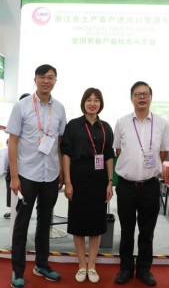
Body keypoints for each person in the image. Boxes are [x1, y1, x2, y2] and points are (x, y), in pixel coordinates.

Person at [5, 64, 67, 288]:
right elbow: (13, 142)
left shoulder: (59, 108)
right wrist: (14, 176)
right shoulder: (21, 106)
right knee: (21, 223)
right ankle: (17, 271)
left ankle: (42, 264)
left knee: (45, 222)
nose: (46, 81)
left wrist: (61, 171)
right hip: (27, 174)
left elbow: (60, 143)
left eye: (50, 77)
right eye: (42, 77)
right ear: (35, 79)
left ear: (55, 81)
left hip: (50, 174)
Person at [113, 81, 169, 286]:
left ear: (151, 98)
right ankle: (126, 268)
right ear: (131, 98)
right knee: (127, 230)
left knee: (147, 231)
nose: (142, 98)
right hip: (126, 186)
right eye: (137, 94)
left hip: (150, 186)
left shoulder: (162, 123)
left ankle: (144, 269)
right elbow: (118, 150)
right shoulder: (121, 122)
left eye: (145, 94)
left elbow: (163, 152)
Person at [61, 88, 115, 284]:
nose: (92, 103)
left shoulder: (105, 127)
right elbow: (66, 155)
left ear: (101, 103)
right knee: (78, 224)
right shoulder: (73, 125)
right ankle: (81, 265)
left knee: (96, 225)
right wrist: (68, 182)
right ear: (83, 102)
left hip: (99, 181)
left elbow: (108, 156)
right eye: (89, 100)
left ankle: (92, 265)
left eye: (96, 100)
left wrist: (110, 182)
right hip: (78, 180)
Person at [3, 93, 32, 220]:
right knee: (11, 180)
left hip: (26, 159)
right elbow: (11, 140)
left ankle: (18, 209)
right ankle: (12, 208)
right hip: (15, 157)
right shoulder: (18, 113)